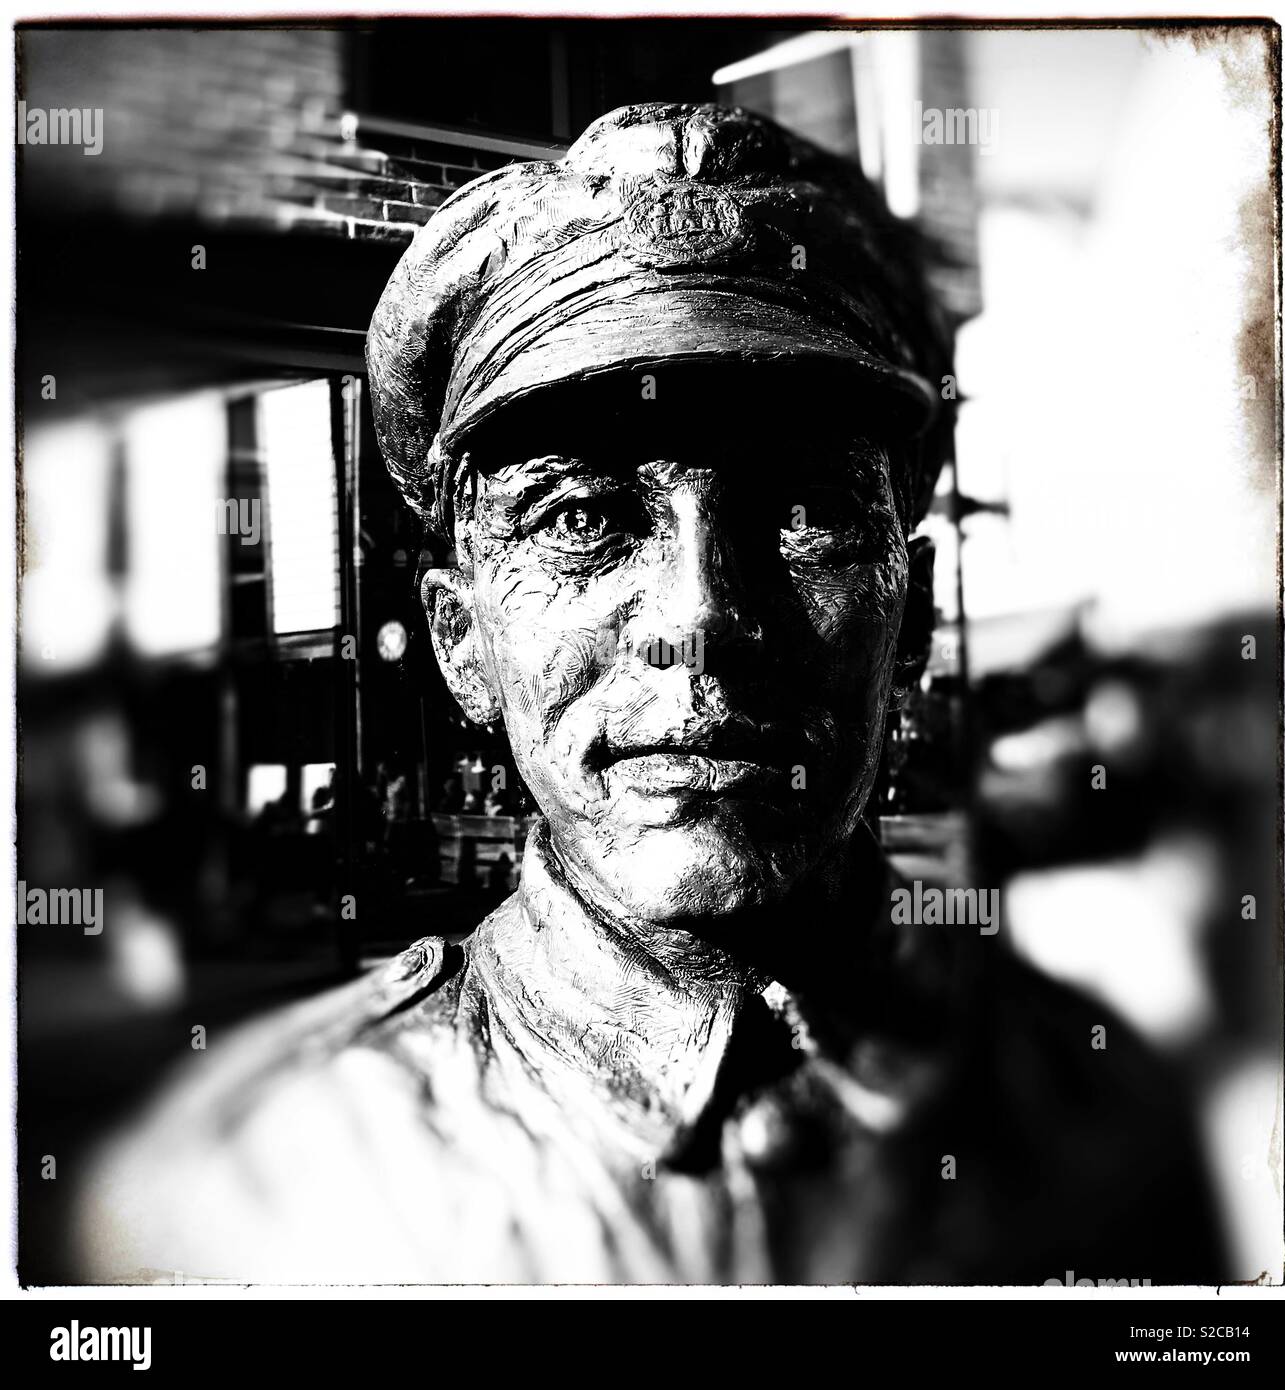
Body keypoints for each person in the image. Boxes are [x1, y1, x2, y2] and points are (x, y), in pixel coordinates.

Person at [76, 103, 1222, 1284]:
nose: (701, 617)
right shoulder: (248, 1192)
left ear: (914, 613)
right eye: (581, 519)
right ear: (462, 643)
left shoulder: (1093, 1118)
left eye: (806, 509)